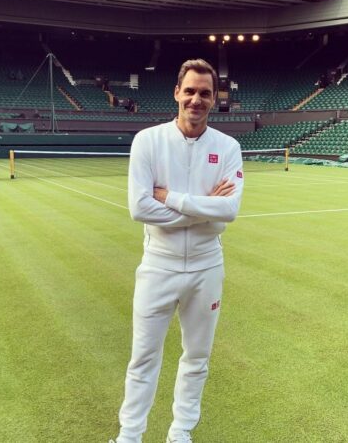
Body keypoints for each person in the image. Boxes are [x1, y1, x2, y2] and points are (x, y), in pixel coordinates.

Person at [110, 59, 244, 443]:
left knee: (197, 358)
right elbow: (140, 208)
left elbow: (229, 210)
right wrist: (203, 208)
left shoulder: (228, 146)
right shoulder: (148, 141)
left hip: (206, 268)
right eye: (190, 91)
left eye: (205, 93)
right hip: (159, 266)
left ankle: (180, 431)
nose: (196, 100)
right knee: (143, 358)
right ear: (177, 93)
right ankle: (130, 435)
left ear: (214, 98)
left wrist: (175, 200)